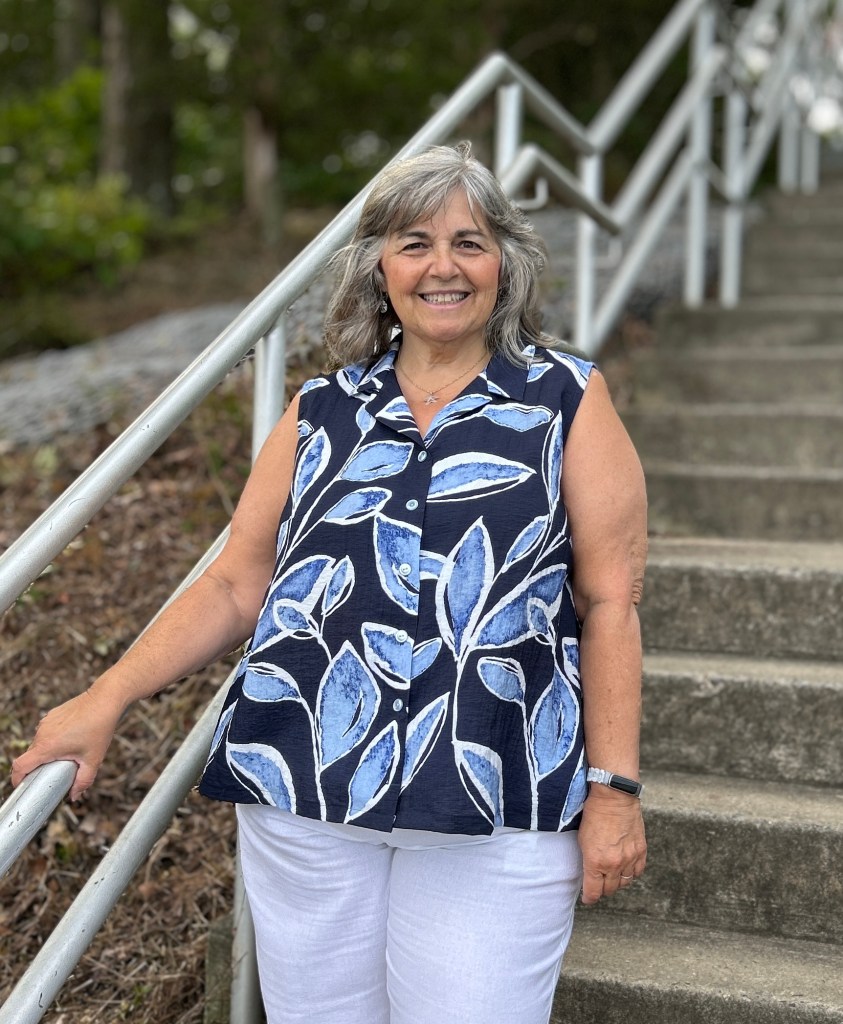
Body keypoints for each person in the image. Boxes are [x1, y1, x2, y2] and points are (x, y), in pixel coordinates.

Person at [12, 142, 648, 1024]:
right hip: (306, 789)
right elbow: (236, 584)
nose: (442, 267)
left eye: (468, 242)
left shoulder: (566, 398)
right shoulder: (321, 409)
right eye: (414, 243)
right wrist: (107, 695)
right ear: (378, 266)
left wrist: (613, 791)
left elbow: (609, 601)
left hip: (495, 792)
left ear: (505, 263)